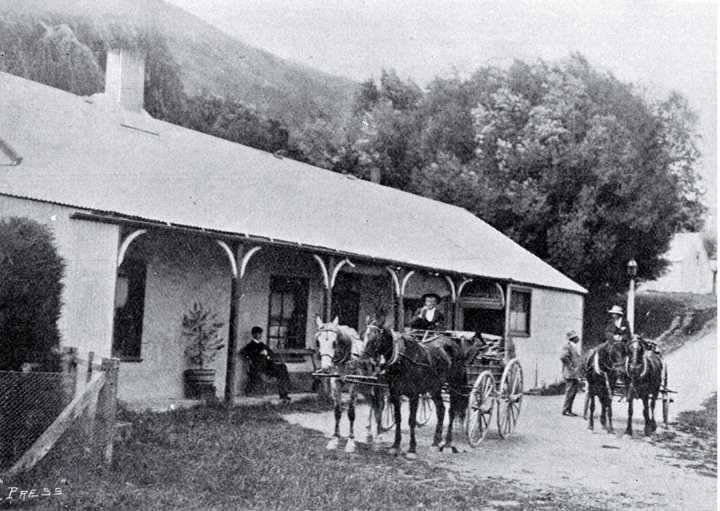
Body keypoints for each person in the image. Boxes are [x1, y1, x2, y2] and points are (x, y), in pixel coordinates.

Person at [239, 326, 291, 402]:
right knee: (281, 371)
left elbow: (272, 354)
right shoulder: (250, 346)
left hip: (268, 366)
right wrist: (259, 354)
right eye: (258, 334)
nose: (260, 335)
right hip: (258, 367)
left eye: (260, 334)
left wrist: (269, 355)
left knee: (282, 367)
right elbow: (245, 353)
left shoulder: (263, 345)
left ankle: (284, 393)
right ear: (254, 335)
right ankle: (284, 392)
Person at [560, 330, 582, 416]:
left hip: (574, 374)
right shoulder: (567, 346)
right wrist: (570, 365)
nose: (578, 338)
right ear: (573, 338)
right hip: (570, 373)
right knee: (570, 392)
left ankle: (569, 410)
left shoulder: (573, 346)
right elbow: (563, 357)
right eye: (576, 337)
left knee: (572, 392)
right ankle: (565, 410)